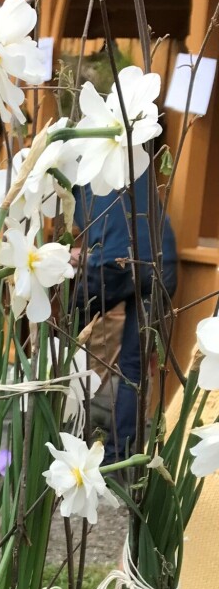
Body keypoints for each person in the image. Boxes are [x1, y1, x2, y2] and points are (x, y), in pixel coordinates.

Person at [73, 170, 178, 464]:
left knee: (64, 337)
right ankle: (117, 460)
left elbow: (92, 227)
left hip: (115, 262)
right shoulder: (135, 162)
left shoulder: (76, 165)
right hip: (162, 262)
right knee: (135, 367)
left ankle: (61, 431)